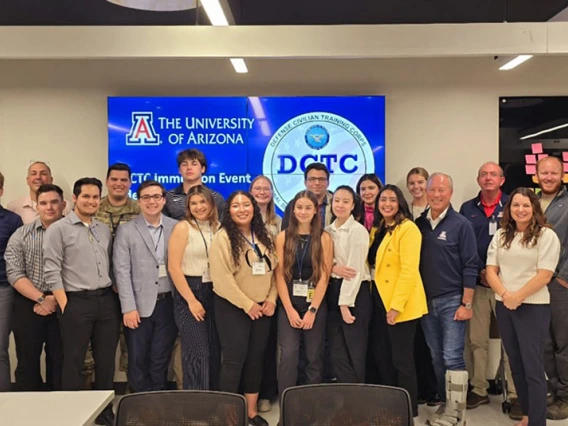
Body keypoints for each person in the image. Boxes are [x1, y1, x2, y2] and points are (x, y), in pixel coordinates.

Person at [44, 177, 120, 426]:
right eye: (86, 196)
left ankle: (105, 411)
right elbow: (51, 268)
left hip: (105, 301)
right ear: (75, 199)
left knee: (106, 360)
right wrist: (64, 302)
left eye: (95, 197)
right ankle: (72, 411)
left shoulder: (102, 228)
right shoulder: (59, 229)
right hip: (76, 302)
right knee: (74, 360)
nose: (91, 201)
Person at [486, 187, 561, 426]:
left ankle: (538, 421)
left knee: (532, 367)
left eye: (526, 205)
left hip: (533, 308)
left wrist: (517, 296)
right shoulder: (501, 235)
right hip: (505, 306)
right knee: (516, 365)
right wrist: (506, 294)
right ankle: (528, 415)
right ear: (509, 209)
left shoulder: (546, 236)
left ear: (534, 208)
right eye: (516, 205)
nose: (521, 209)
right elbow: (491, 270)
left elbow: (545, 274)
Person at [209, 190, 278, 426]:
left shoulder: (264, 235)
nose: (242, 209)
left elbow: (274, 272)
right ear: (228, 210)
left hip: (262, 308)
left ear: (254, 208)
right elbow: (222, 280)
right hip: (233, 308)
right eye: (236, 205)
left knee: (255, 360)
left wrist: (271, 299)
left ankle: (249, 412)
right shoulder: (223, 237)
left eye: (246, 204)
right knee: (233, 360)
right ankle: (229, 416)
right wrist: (248, 304)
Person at [416, 172, 478, 426]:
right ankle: (446, 404)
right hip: (425, 302)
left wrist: (466, 303)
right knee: (436, 356)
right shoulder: (418, 224)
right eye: (433, 190)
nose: (437, 194)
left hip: (453, 300)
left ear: (450, 193)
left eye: (442, 190)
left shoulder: (461, 224)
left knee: (453, 356)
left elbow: (471, 265)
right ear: (426, 193)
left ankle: (457, 414)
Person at [459, 162, 519, 417]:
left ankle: (517, 395)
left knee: (513, 341)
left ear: (502, 180)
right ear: (478, 179)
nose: (488, 178)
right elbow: (465, 246)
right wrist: (482, 272)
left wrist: (495, 273)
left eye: (493, 174)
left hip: (508, 285)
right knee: (476, 340)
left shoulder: (513, 205)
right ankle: (479, 389)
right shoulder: (467, 209)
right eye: (484, 174)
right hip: (478, 284)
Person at [113, 180, 178, 392]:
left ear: (164, 200)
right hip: (138, 307)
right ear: (139, 201)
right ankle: (140, 409)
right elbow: (121, 271)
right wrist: (128, 308)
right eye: (146, 198)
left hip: (168, 303)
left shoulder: (175, 227)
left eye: (156, 197)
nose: (152, 202)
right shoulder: (126, 230)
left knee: (160, 360)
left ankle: (157, 407)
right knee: (138, 360)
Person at [371, 184, 428, 417]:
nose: (387, 204)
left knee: (401, 360)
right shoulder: (378, 228)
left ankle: (407, 410)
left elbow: (408, 270)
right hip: (378, 300)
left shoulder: (408, 229)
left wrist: (396, 306)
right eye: (383, 200)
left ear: (400, 203)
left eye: (392, 200)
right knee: (381, 355)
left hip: (400, 304)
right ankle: (389, 403)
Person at [5, 184, 65, 391]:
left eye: (54, 202)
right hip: (28, 303)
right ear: (36, 206)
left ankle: (60, 414)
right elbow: (14, 273)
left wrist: (54, 300)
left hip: (65, 303)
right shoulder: (20, 235)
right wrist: (42, 298)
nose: (49, 207)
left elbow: (81, 271)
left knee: (61, 362)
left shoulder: (76, 234)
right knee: (27, 362)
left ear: (63, 205)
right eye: (44, 203)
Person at [276, 191, 333, 395]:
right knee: (289, 354)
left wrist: (313, 310)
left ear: (316, 211)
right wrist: (289, 310)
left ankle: (311, 405)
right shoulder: (282, 238)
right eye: (299, 207)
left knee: (314, 356)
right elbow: (279, 276)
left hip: (314, 305)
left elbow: (325, 276)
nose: (303, 211)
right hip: (288, 304)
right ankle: (286, 403)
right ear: (293, 210)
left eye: (308, 207)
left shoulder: (324, 238)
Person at [168, 185, 220, 390]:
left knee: (214, 351)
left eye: (203, 202)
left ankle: (213, 403)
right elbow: (173, 267)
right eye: (194, 203)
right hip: (189, 292)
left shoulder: (218, 227)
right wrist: (191, 301)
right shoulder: (183, 227)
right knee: (198, 352)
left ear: (211, 203)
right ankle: (195, 408)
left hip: (215, 291)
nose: (199, 207)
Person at [93, 162, 140, 385]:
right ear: (107, 181)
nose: (119, 184)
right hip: (98, 289)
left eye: (124, 180)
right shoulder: (94, 208)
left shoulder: (140, 209)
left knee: (133, 348)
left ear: (130, 183)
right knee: (96, 350)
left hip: (131, 289)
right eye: (114, 179)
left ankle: (133, 402)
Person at [326, 185, 372, 384]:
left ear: (353, 205)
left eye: (346, 201)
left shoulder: (358, 231)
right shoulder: (327, 230)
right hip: (333, 290)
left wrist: (344, 304)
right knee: (336, 351)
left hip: (355, 294)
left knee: (355, 349)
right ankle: (345, 396)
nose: (340, 205)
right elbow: (323, 261)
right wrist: (333, 268)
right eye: (337, 200)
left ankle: (358, 399)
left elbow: (354, 270)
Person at [536, 156, 568, 420]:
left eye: (553, 173)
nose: (548, 177)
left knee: (563, 343)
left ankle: (566, 397)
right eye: (544, 173)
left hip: (559, 283)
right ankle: (555, 390)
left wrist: (563, 277)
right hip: (536, 284)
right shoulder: (532, 202)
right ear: (536, 175)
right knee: (545, 343)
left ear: (562, 174)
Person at [405, 166, 438, 406]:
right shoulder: (405, 211)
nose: (417, 187)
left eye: (420, 182)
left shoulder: (435, 211)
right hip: (409, 282)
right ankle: (416, 389)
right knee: (414, 340)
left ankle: (434, 389)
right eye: (412, 183)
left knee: (432, 342)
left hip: (431, 281)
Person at [250, 175, 281, 412]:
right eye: (257, 188)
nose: (262, 192)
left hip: (271, 290)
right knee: (246, 348)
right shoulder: (239, 218)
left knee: (268, 346)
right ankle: (247, 392)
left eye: (266, 188)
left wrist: (273, 295)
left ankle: (266, 394)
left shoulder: (277, 221)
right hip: (245, 291)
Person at [0, 171, 24, 392]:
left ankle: (4, 402)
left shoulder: (12, 220)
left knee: (0, 348)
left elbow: (17, 258)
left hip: (3, 289)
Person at [164, 149, 225, 221]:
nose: (189, 168)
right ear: (179, 170)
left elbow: (221, 228)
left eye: (194, 164)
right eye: (184, 164)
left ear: (203, 169)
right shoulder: (168, 197)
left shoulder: (215, 197)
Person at [7, 161, 71, 224]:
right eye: (33, 174)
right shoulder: (14, 207)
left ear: (51, 180)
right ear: (27, 180)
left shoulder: (67, 207)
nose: (38, 177)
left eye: (43, 174)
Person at [282, 163, 333, 229]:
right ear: (305, 182)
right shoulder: (294, 204)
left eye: (321, 179)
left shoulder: (336, 204)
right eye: (312, 179)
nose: (317, 183)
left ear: (328, 183)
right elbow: (286, 232)